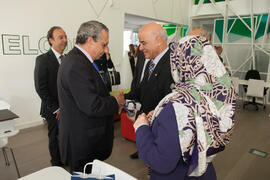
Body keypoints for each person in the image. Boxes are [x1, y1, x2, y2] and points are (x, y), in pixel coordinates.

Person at [134, 35, 236, 180]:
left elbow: (161, 161)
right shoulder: (218, 95)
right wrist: (161, 116)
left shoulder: (178, 104)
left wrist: (141, 127)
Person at [57, 20, 125, 173]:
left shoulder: (79, 60)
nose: (106, 49)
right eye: (104, 44)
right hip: (82, 142)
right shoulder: (77, 64)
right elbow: (92, 105)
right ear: (90, 40)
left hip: (85, 138)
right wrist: (116, 101)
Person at [125, 23, 174, 159]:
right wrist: (122, 99)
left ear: (158, 40)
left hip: (162, 130)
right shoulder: (152, 62)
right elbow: (142, 89)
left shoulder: (173, 64)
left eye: (143, 43)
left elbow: (170, 102)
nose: (140, 48)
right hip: (148, 125)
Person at [34, 26, 67, 166]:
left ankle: (66, 158)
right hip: (52, 109)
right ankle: (56, 164)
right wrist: (56, 108)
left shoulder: (67, 58)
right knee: (54, 137)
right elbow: (40, 88)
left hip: (67, 107)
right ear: (51, 40)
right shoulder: (42, 60)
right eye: (61, 37)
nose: (65, 40)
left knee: (66, 135)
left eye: (65, 37)